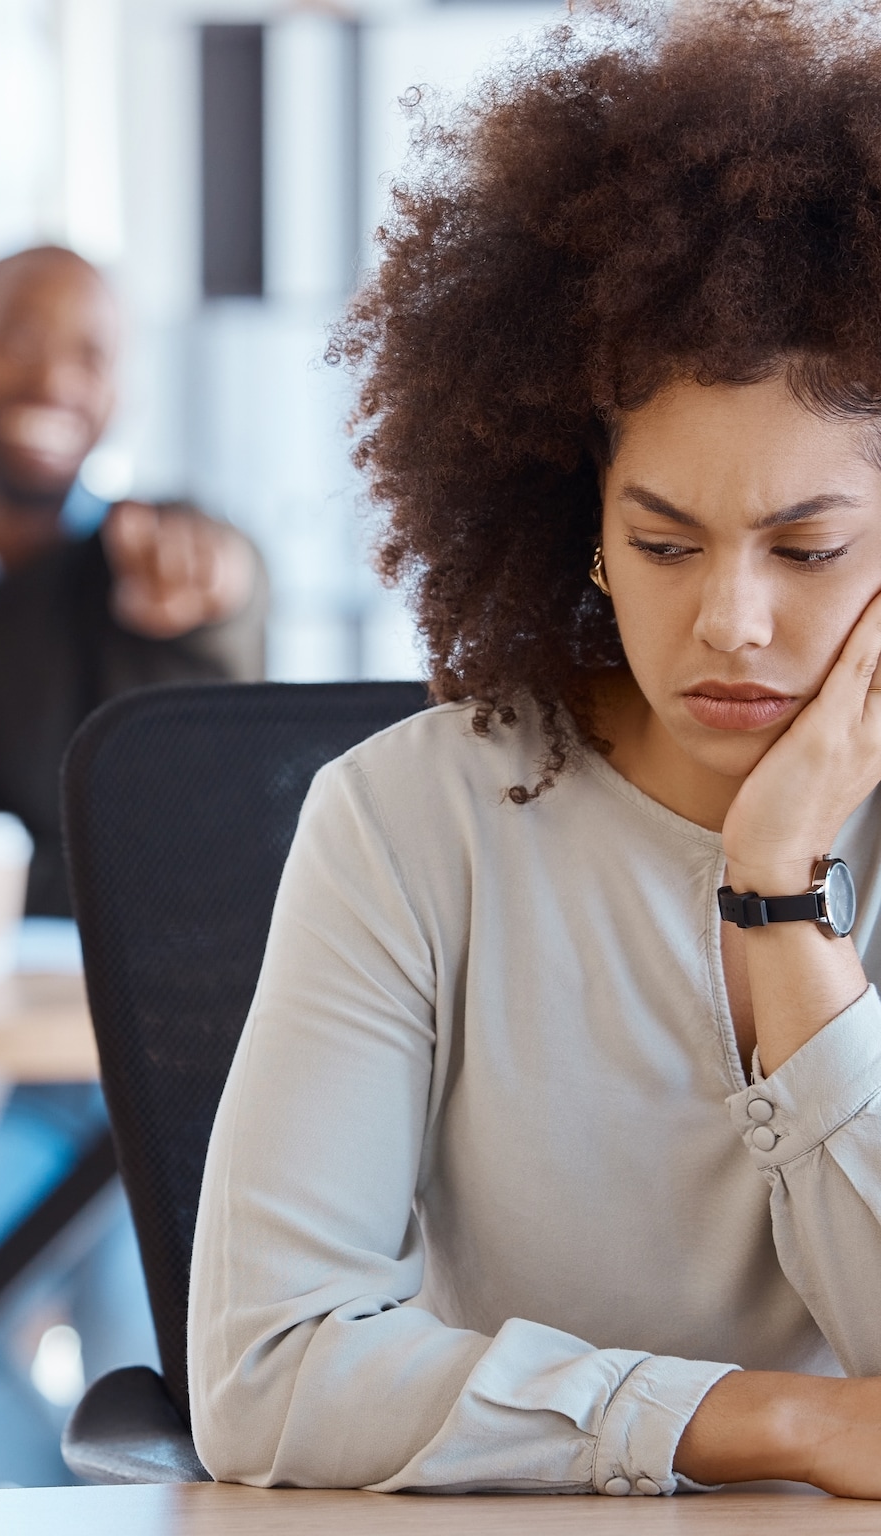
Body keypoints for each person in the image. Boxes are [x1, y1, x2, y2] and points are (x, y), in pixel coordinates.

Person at [193, 0, 881, 1498]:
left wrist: (779, 892)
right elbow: (265, 1371)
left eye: (810, 548)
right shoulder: (405, 824)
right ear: (584, 524)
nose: (734, 622)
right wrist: (767, 1419)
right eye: (665, 541)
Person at [0, 245, 266, 1486]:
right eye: (18, 337)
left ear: (119, 393)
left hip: (171, 1084)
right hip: (7, 1077)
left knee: (156, 1402)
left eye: (89, 352)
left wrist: (210, 590)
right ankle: (53, 1509)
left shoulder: (165, 558)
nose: (52, 375)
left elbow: (216, 792)